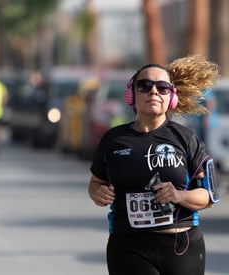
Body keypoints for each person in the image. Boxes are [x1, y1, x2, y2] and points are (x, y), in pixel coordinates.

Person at [88, 55, 220, 275]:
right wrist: (97, 193)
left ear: (172, 97)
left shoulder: (186, 139)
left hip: (182, 245)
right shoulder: (113, 140)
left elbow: (208, 197)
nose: (154, 92)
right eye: (145, 86)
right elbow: (95, 183)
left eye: (162, 87)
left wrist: (178, 196)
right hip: (129, 247)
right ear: (131, 94)